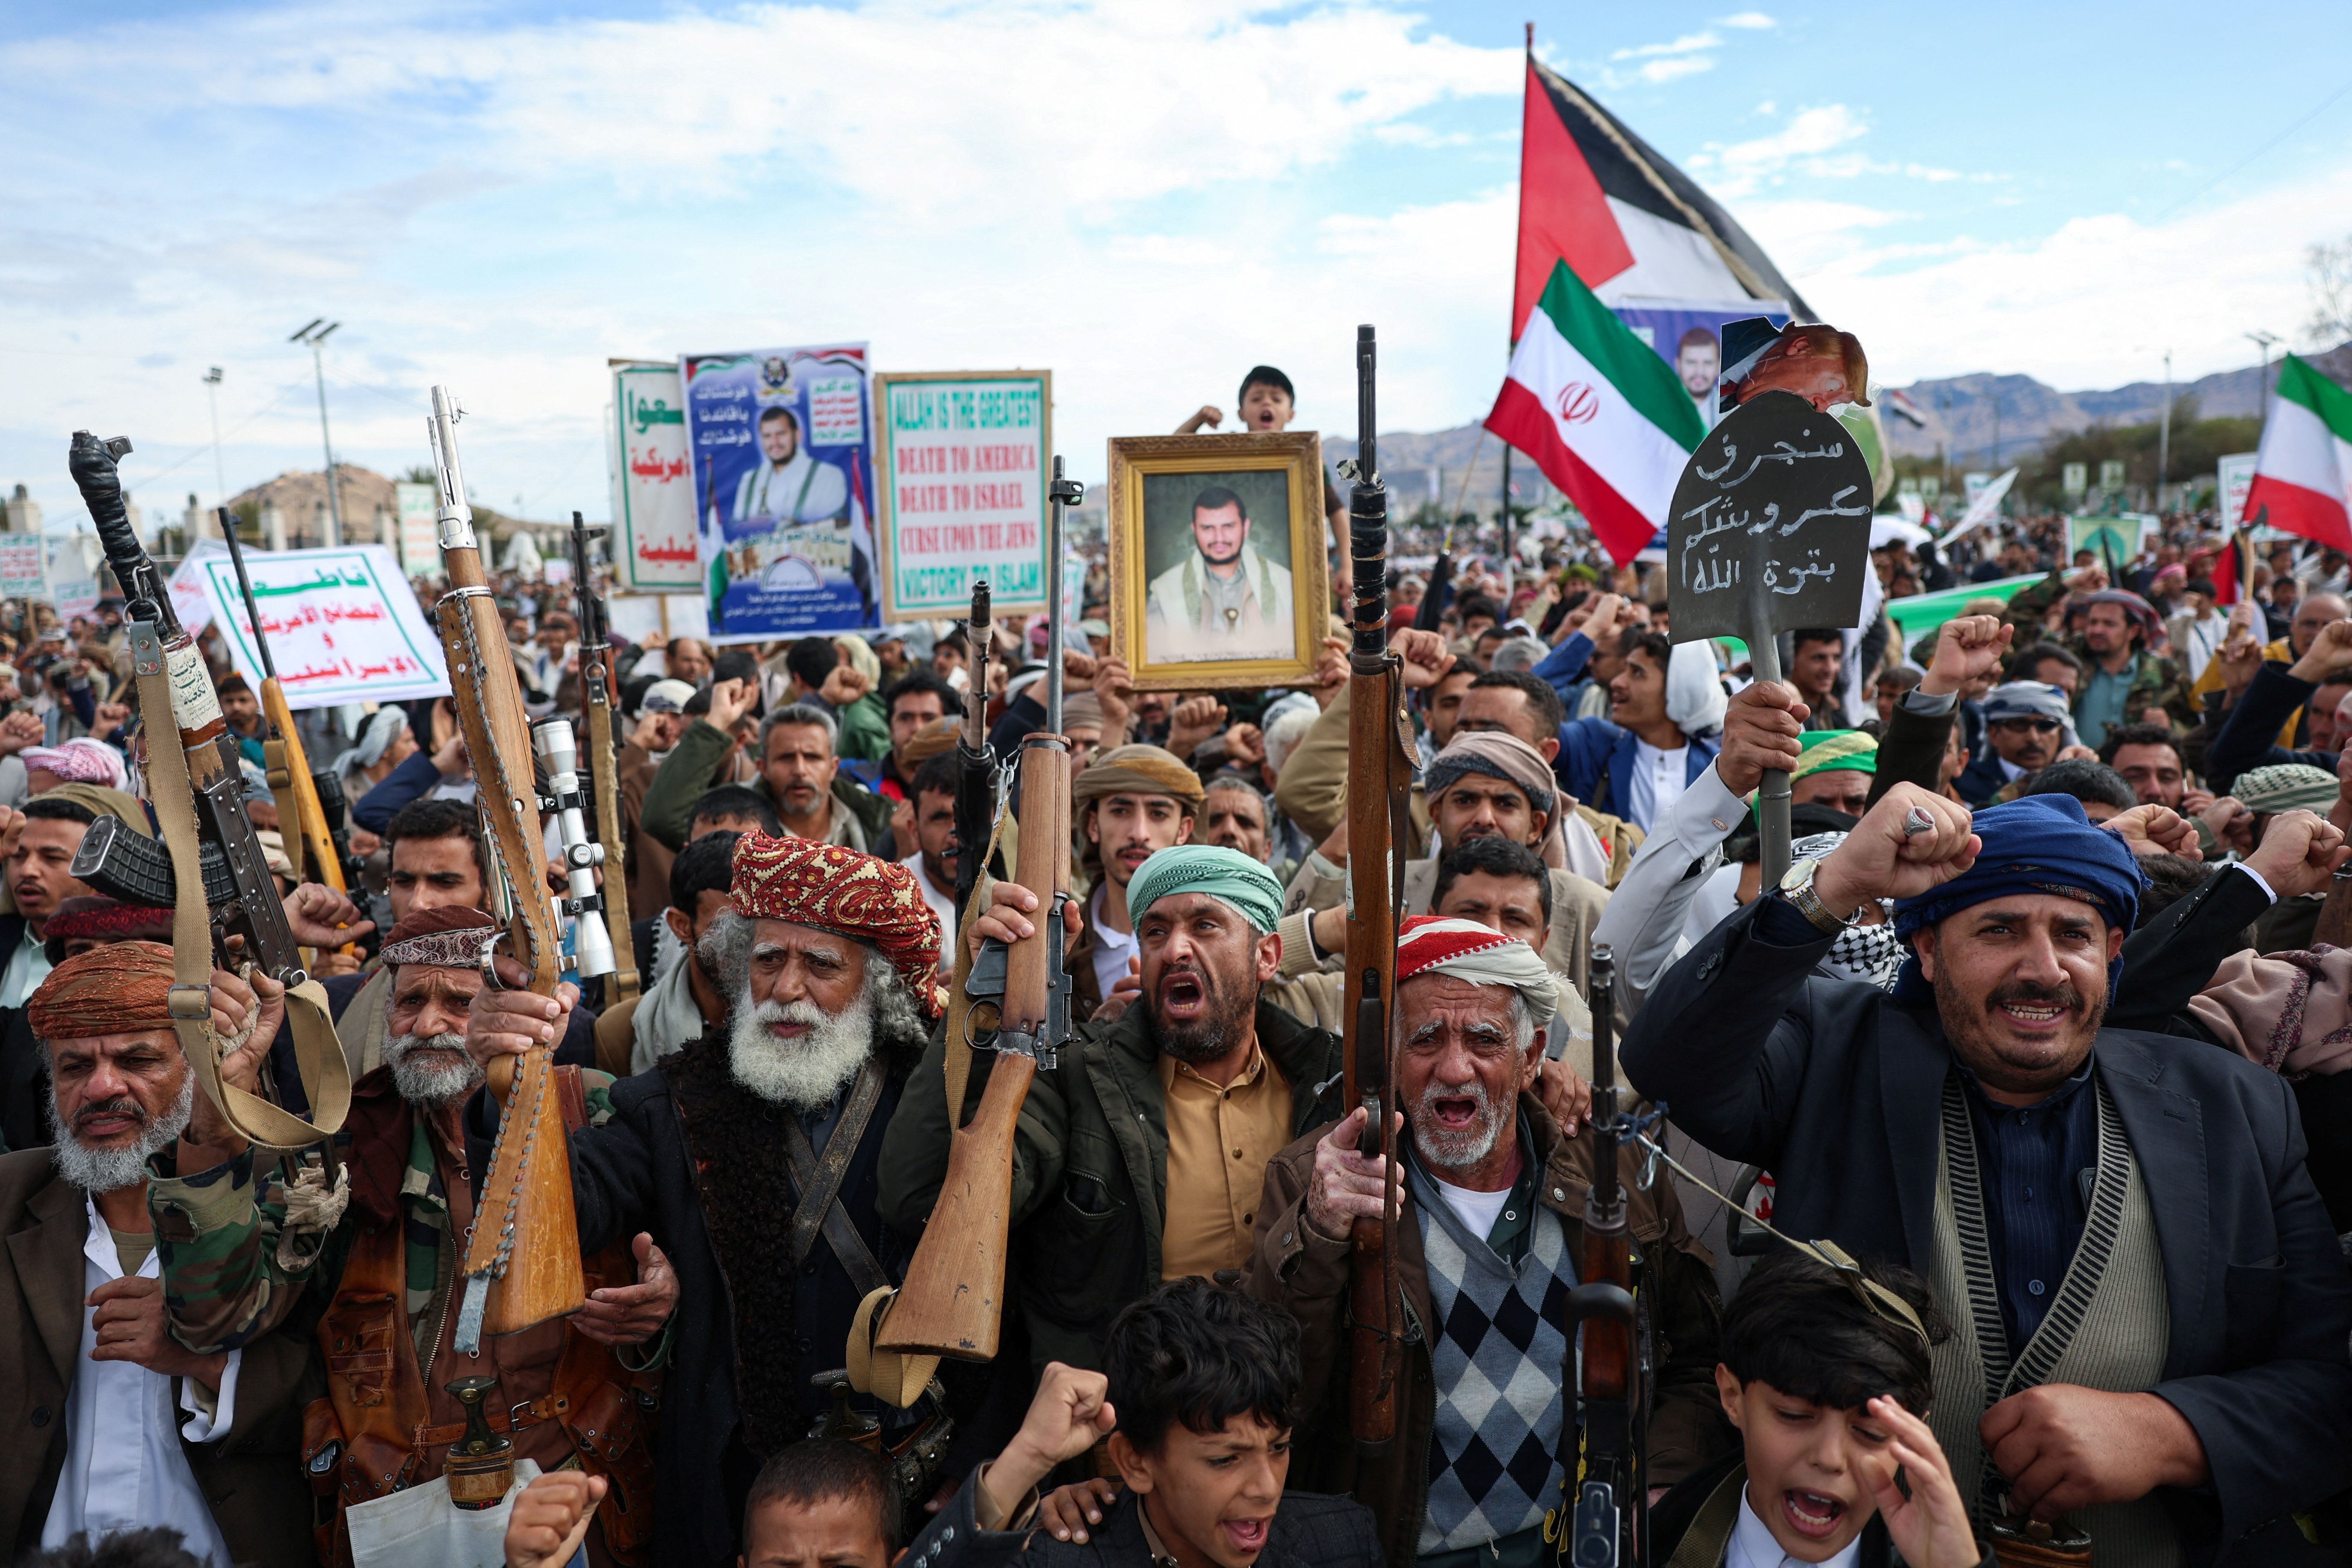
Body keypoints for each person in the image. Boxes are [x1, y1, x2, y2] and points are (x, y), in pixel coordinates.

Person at [1621, 785, 2352, 1560]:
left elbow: (2325, 1383)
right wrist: (1835, 885)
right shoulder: (1833, 1055)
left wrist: (2173, 1433)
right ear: (1927, 949)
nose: (2043, 968)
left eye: (2073, 933)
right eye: (1999, 929)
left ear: (2113, 951)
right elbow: (1670, 1063)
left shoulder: (2235, 1108)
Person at [466, 833, 948, 1568]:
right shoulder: (676, 1098)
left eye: (821, 965)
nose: (787, 988)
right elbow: (565, 1207)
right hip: (733, 1492)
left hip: (918, 1476)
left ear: (876, 981)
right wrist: (508, 1083)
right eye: (768, 959)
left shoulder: (936, 1100)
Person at [160, 907, 674, 1565]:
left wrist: (662, 1298)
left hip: (582, 1507)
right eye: (410, 1001)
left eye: (460, 1001)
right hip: (402, 1515)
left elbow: (686, 1276)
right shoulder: (339, 1150)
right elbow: (214, 1316)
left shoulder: (590, 1110)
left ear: (508, 1008)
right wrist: (214, 1110)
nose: (429, 1024)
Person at [1249, 916, 1729, 1567]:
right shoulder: (1319, 1181)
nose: (1454, 1068)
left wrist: (1662, 1483)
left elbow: (1695, 1359)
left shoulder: (1610, 1168)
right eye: (1425, 1039)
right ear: (1389, 1057)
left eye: (1484, 1039)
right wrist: (1318, 1231)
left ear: (1532, 1057)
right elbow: (1272, 1395)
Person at [883, 845, 1344, 1382]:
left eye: (1205, 925)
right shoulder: (1077, 1081)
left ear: (1266, 956)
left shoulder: (1331, 1088)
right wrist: (985, 997)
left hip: (1287, 1414)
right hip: (1117, 1413)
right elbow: (921, 1199)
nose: (1176, 949)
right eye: (1155, 932)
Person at [0, 945, 313, 1564]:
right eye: (74, 1066)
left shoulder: (296, 1196)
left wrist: (208, 1366)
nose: (101, 1087)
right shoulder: (10, 1197)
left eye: (138, 1059)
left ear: (203, 1066)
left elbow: (353, 1402)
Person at [902, 1279, 1382, 1568]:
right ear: (1134, 1462)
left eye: (1278, 1447)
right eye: (1224, 1459)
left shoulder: (1342, 1540)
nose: (1266, 1487)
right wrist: (1027, 1456)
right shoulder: (1053, 1557)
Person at [1651, 1248, 1991, 1568]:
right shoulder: (1645, 1547)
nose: (1830, 1458)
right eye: (1794, 1415)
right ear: (1732, 1396)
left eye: (1871, 1432)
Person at [1284, 729, 1610, 1001]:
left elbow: (1622, 1036)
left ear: (1537, 825)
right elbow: (1283, 983)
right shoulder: (1387, 890)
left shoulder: (1588, 906)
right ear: (1437, 816)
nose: (1484, 818)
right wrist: (1334, 860)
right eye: (1465, 801)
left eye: (1505, 804)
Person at [639, 679, 894, 866]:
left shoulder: (876, 817)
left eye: (812, 757)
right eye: (786, 758)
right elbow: (664, 817)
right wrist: (716, 722)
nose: (800, 771)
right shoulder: (734, 823)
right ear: (763, 767)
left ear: (833, 767)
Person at [1066, 744, 1203, 1017]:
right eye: (1121, 811)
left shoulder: (1213, 946)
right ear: (1093, 826)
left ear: (1183, 831)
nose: (1139, 834)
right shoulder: (1056, 942)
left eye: (1158, 814)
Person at [596, 830, 743, 1077]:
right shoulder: (621, 1033)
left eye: (755, 926)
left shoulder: (799, 1022)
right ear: (681, 926)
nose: (745, 943)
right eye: (724, 927)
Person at [1551, 628, 1725, 834]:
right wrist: (1594, 627)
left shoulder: (1715, 770)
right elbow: (1528, 709)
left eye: (1637, 673)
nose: (1617, 682)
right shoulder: (1592, 743)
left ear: (1677, 689)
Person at [1145, 485, 1296, 663]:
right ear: (1194, 529)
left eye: (1228, 526)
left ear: (1246, 527)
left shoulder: (1285, 583)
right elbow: (1155, 661)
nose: (1219, 538)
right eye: (1208, 528)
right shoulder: (1164, 591)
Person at [2063, 589, 2193, 747]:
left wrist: (2169, 727)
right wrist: (2071, 583)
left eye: (2109, 624)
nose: (2097, 630)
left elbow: (2195, 733)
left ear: (2133, 631)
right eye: (2093, 622)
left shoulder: (2165, 672)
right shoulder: (2070, 664)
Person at [1952, 682, 2073, 807]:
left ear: (2061, 733)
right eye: (2019, 725)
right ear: (1994, 734)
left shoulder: (2073, 783)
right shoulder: (1963, 780)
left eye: (2046, 725)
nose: (2033, 738)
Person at [898, 752, 960, 978]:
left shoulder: (1008, 887)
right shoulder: (893, 902)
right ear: (914, 831)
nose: (955, 837)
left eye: (967, 817)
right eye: (940, 818)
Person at [735, 405, 849, 525]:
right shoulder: (749, 480)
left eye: (781, 434)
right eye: (767, 436)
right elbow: (737, 528)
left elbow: (834, 527)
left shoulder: (829, 475)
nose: (774, 442)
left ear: (797, 436)